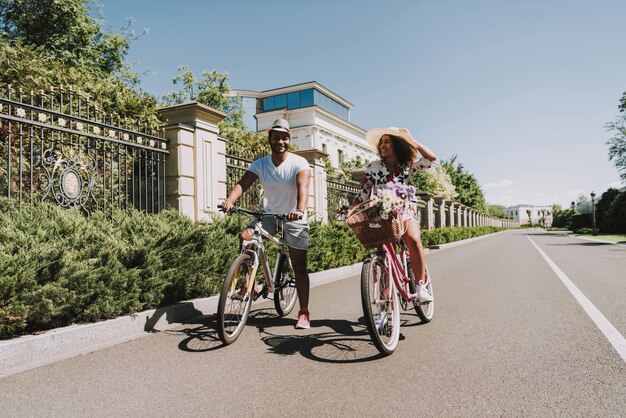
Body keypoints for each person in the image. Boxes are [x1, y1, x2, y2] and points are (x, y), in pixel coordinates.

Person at [221, 118, 313, 329]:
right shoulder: (260, 164)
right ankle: (250, 283)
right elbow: (243, 183)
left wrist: (299, 210)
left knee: (299, 266)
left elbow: (303, 188)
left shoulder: (299, 163)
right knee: (247, 237)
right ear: (269, 140)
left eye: (284, 137)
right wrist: (230, 200)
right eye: (276, 137)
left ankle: (304, 312)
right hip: (270, 215)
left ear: (289, 140)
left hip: (294, 216)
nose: (280, 141)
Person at [352, 126, 437, 303]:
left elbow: (430, 158)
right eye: (381, 142)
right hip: (381, 212)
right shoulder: (374, 167)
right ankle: (384, 300)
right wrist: (348, 209)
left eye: (387, 141)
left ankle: (421, 287)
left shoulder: (407, 165)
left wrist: (412, 140)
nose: (383, 145)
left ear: (397, 144)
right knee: (382, 254)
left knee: (413, 239)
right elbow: (364, 191)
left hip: (404, 209)